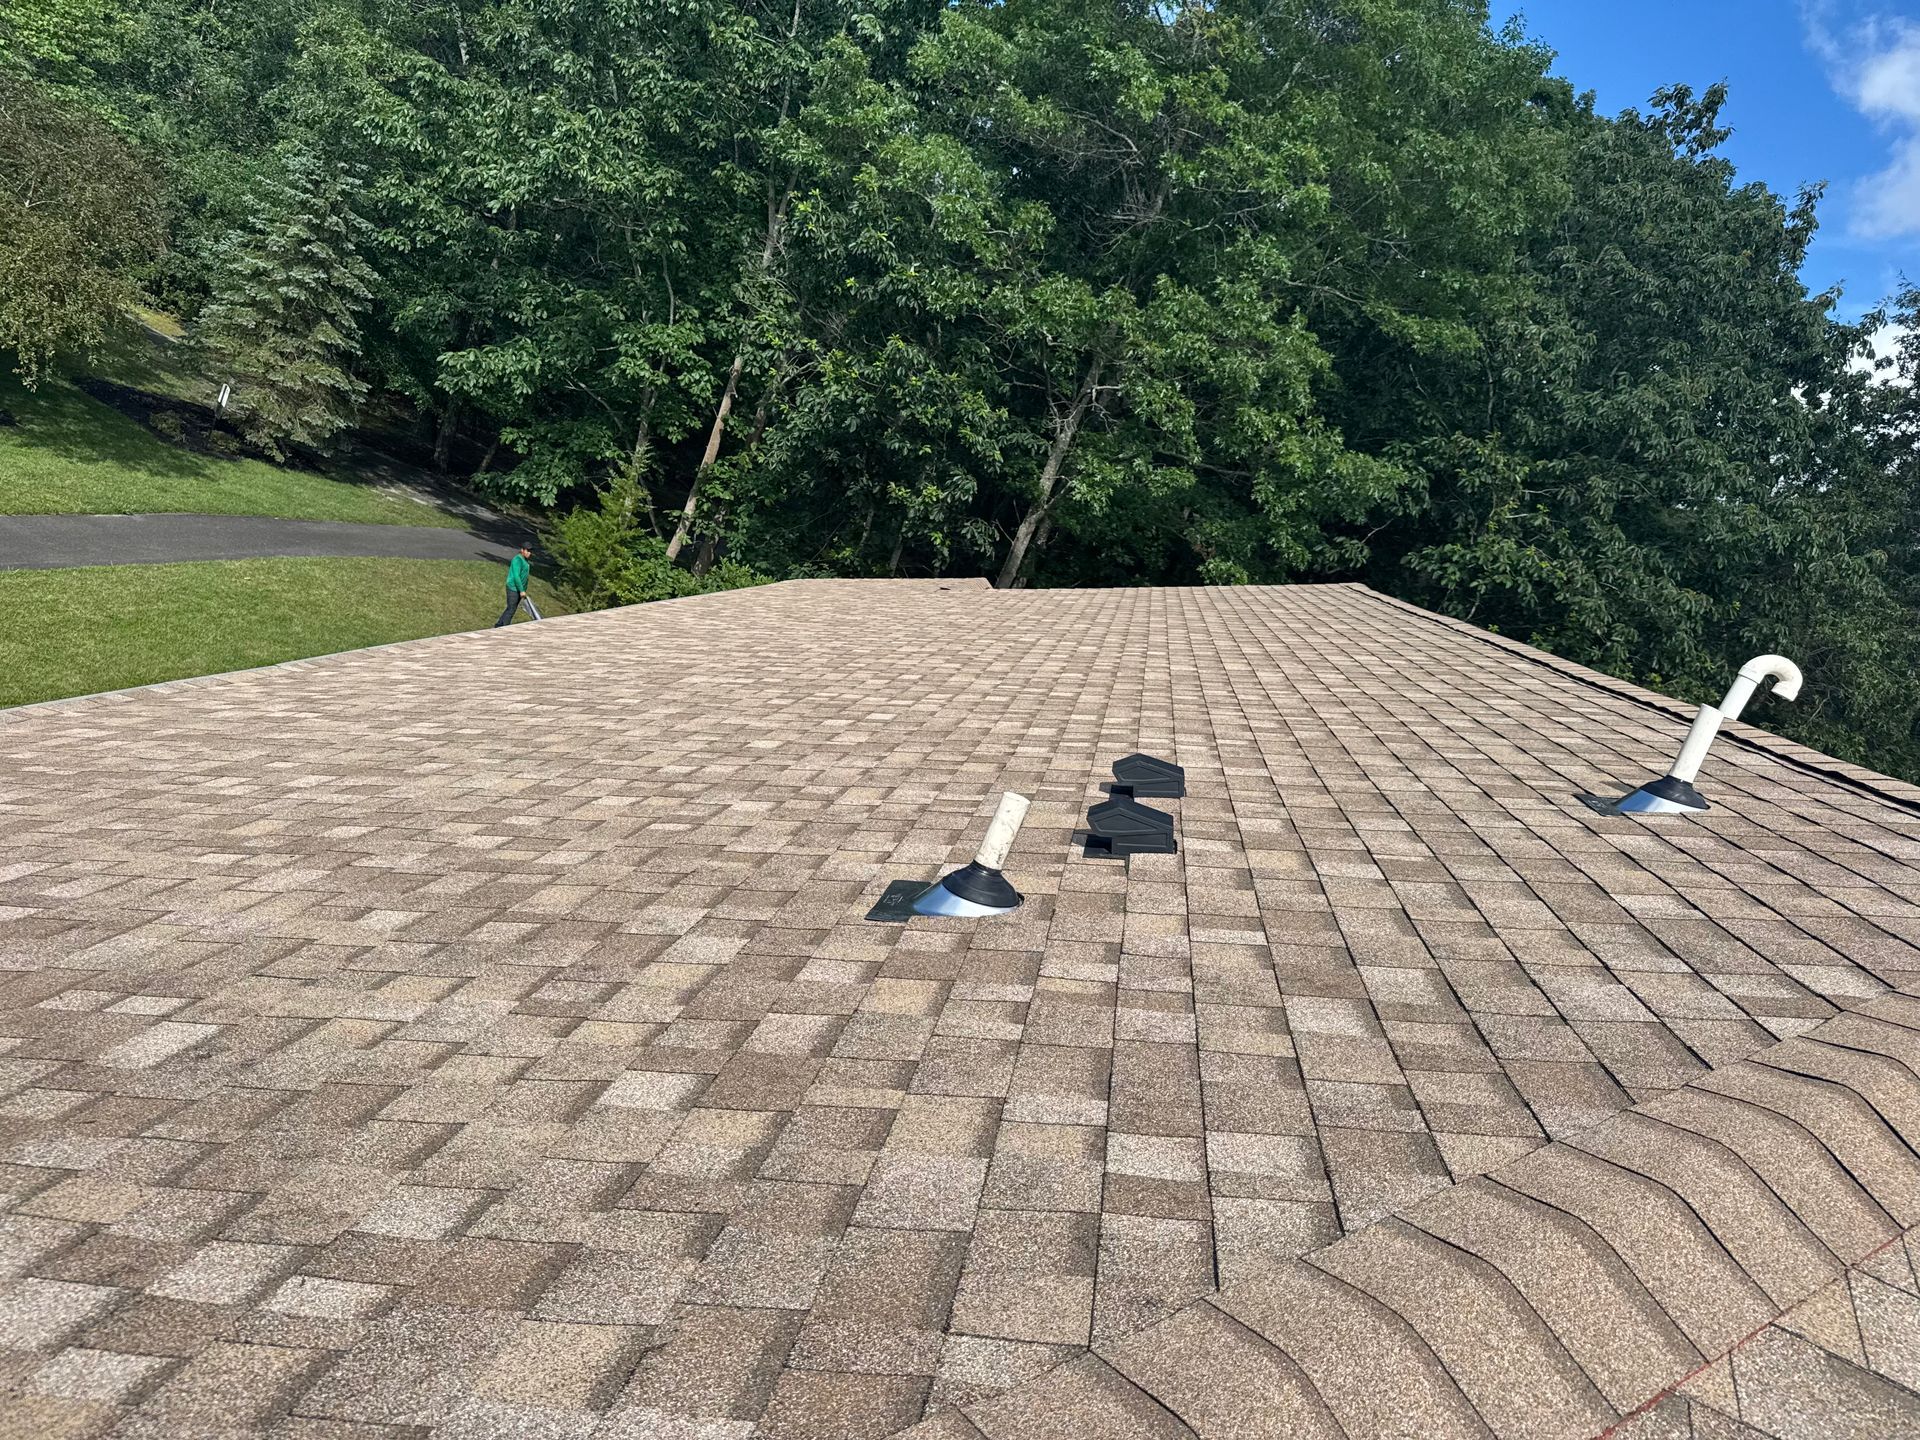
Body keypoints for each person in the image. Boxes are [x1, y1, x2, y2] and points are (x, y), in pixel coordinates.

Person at [495, 545, 537, 626]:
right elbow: (516, 576)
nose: (529, 553)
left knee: (510, 609)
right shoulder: (517, 560)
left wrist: (523, 590)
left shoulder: (524, 560)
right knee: (511, 610)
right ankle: (505, 628)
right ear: (522, 550)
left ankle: (499, 625)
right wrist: (521, 590)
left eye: (530, 551)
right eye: (527, 550)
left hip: (519, 589)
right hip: (513, 588)